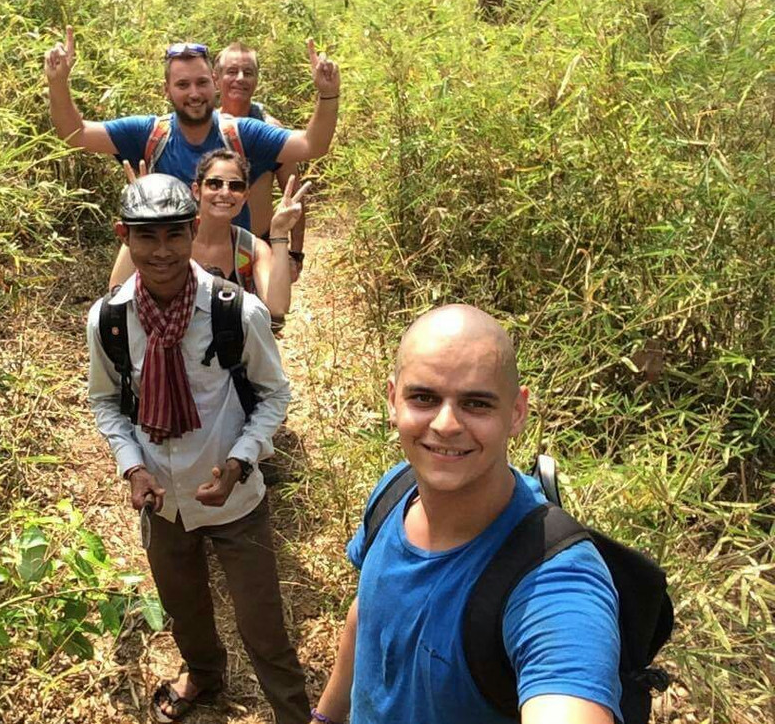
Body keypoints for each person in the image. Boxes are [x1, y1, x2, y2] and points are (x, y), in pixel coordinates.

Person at [310, 305, 622, 724]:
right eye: (424, 397)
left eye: (476, 404)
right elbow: (367, 612)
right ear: (392, 399)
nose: (446, 424)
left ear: (517, 412)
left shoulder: (554, 581)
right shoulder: (395, 489)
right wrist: (326, 717)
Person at [86, 173, 310, 724]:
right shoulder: (110, 320)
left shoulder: (238, 312)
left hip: (236, 498)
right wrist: (132, 468)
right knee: (183, 605)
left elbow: (274, 395)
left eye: (173, 235)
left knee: (262, 622)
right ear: (124, 236)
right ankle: (204, 673)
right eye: (146, 237)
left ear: (193, 231)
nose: (160, 252)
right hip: (162, 501)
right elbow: (106, 403)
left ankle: (292, 712)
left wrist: (240, 460)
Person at [44, 26, 339, 235]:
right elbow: (75, 134)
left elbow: (313, 145)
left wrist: (327, 95)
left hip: (233, 277)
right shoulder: (149, 134)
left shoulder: (243, 134)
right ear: (167, 90)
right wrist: (58, 83)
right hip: (169, 276)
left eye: (201, 82)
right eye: (183, 85)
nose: (194, 93)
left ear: (214, 81)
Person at [108, 150, 309, 320]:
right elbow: (117, 291)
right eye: (214, 184)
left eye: (235, 186)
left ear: (245, 196)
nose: (224, 193)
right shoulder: (171, 236)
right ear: (196, 190)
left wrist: (280, 234)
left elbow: (277, 307)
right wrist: (142, 217)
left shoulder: (251, 248)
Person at [214, 42, 307, 282]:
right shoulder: (203, 129)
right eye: (232, 72)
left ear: (257, 80)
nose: (240, 79)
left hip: (258, 250)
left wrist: (295, 254)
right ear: (216, 79)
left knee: (263, 317)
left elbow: (294, 194)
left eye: (248, 72)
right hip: (209, 250)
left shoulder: (271, 131)